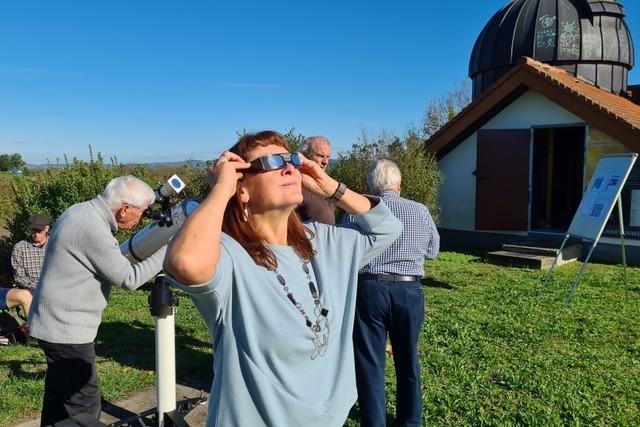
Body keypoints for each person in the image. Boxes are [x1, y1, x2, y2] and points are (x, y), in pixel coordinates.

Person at [164, 130, 402, 427]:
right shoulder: (230, 254)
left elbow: (388, 229)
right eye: (272, 162)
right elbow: (184, 261)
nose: (290, 167)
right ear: (243, 190)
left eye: (291, 159)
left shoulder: (322, 241)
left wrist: (329, 187)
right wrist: (221, 188)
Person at [28, 175, 167, 426]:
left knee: (60, 401)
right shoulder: (91, 227)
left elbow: (112, 260)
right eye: (142, 213)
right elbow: (129, 278)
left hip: (54, 323)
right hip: (66, 331)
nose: (141, 220)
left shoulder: (81, 212)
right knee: (84, 407)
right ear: (124, 208)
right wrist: (172, 246)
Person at [347, 159, 440, 427]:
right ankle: (411, 422)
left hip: (369, 288)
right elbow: (433, 251)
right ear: (398, 184)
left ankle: (373, 422)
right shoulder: (420, 210)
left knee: (370, 362)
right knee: (408, 359)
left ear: (371, 185)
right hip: (409, 290)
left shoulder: (357, 210)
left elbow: (343, 248)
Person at [296, 136, 335, 224]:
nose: (326, 162)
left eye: (328, 157)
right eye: (320, 156)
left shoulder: (326, 182)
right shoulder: (295, 183)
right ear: (305, 155)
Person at [11, 214, 50, 293]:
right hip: (31, 291)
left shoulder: (56, 244)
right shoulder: (19, 248)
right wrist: (37, 288)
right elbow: (19, 276)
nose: (36, 234)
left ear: (47, 228)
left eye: (39, 231)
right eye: (33, 230)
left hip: (56, 288)